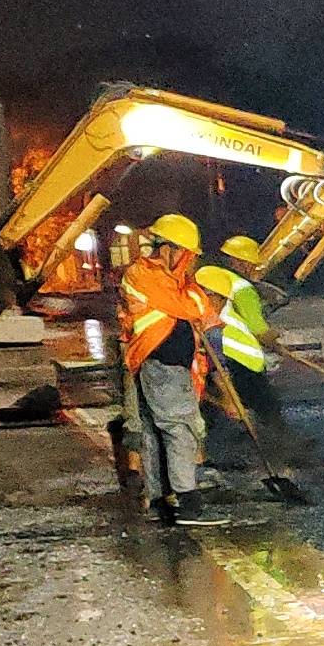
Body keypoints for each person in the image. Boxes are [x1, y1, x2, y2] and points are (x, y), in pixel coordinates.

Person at [118, 212, 226, 527]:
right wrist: (193, 298)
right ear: (170, 249)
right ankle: (187, 502)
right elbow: (192, 307)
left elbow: (202, 309)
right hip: (161, 366)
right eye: (188, 255)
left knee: (156, 432)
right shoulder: (144, 274)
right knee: (179, 429)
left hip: (161, 366)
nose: (190, 262)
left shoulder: (170, 280)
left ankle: (160, 499)